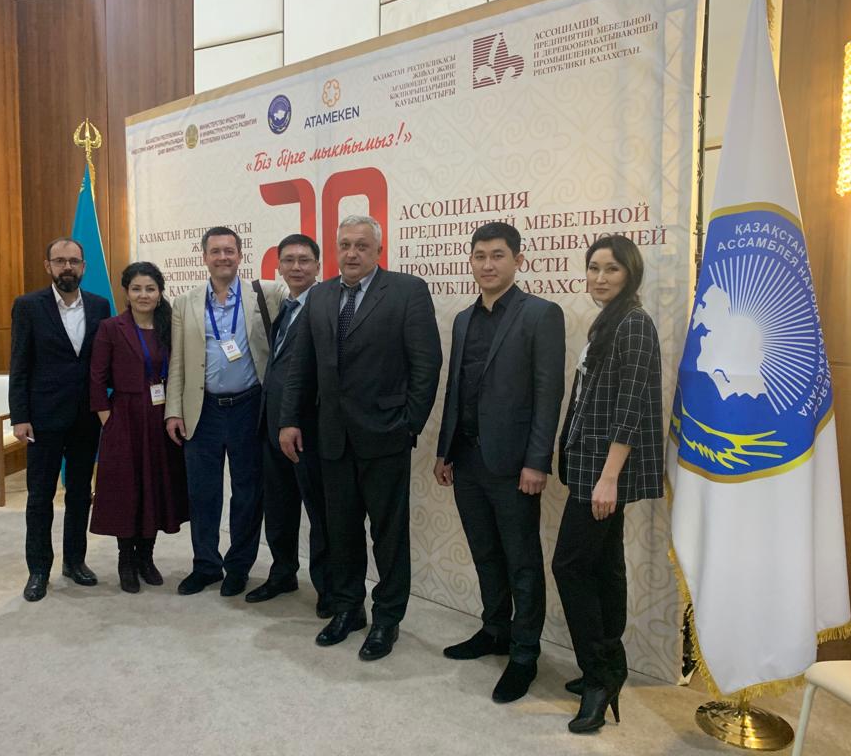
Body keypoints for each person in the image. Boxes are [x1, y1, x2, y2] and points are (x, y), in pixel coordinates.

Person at [280, 214, 442, 661]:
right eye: (345, 245)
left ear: (378, 251)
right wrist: (290, 419)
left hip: (386, 435)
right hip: (331, 436)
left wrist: (409, 424)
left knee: (388, 536)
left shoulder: (407, 291)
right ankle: (348, 608)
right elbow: (301, 364)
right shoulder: (320, 295)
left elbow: (426, 364)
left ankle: (387, 618)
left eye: (361, 246)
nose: (351, 253)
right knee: (341, 531)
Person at [434, 222, 565, 703]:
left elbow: (549, 394)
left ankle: (525, 654)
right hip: (467, 458)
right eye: (479, 256)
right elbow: (456, 390)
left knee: (522, 561)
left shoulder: (541, 314)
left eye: (497, 256)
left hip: (513, 465)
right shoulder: (463, 320)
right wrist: (445, 450)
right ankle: (495, 630)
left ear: (518, 260)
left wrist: (537, 461)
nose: (487, 265)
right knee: (485, 552)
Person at [551, 235, 664, 733]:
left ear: (630, 273)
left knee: (571, 566)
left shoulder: (634, 323)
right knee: (604, 565)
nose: (599, 277)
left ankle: (600, 677)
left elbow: (632, 407)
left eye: (611, 269)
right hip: (590, 467)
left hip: (603, 472)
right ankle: (609, 668)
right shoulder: (609, 321)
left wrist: (609, 479)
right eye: (593, 267)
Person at [165, 226, 286, 598]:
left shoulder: (265, 294)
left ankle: (238, 567)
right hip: (202, 410)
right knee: (203, 493)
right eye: (215, 251)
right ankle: (205, 565)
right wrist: (173, 410)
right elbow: (178, 362)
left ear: (239, 255)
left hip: (250, 407)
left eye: (229, 251)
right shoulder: (185, 303)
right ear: (204, 257)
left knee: (248, 493)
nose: (223, 257)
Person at [9, 237, 111, 602]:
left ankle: (75, 561)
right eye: (60, 261)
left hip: (86, 417)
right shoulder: (28, 306)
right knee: (40, 496)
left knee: (80, 493)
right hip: (43, 419)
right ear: (48, 266)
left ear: (84, 267)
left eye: (74, 261)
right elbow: (19, 364)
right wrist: (20, 417)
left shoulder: (99, 306)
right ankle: (38, 569)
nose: (67, 267)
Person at [89, 262, 189, 593]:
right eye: (136, 289)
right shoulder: (111, 328)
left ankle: (146, 557)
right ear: (127, 293)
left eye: (150, 289)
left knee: (156, 487)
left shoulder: (170, 326)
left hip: (162, 417)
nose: (143, 295)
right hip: (125, 417)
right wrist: (108, 419)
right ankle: (126, 561)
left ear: (160, 293)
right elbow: (96, 378)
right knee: (126, 489)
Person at [246, 234, 331, 616]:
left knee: (320, 514)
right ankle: (282, 573)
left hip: (308, 430)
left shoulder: (326, 306)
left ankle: (328, 587)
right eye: (289, 260)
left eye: (304, 260)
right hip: (272, 426)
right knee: (279, 508)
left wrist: (295, 419)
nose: (296, 267)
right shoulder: (286, 306)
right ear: (278, 266)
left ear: (318, 265)